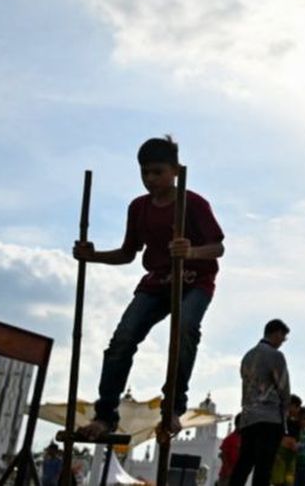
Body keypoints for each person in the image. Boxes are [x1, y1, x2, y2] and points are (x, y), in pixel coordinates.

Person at [73, 136, 225, 439]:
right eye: (145, 173)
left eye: (158, 172)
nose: (151, 179)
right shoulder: (139, 208)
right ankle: (105, 416)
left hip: (195, 282)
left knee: (185, 331)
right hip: (157, 283)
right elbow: (127, 254)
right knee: (122, 340)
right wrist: (93, 257)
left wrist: (191, 252)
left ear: (176, 171)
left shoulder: (192, 203)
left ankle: (173, 409)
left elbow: (218, 247)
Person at [229, 319, 291, 486]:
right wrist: (286, 415)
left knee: (244, 463)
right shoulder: (275, 355)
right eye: (283, 338)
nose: (282, 342)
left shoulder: (247, 356)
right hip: (269, 418)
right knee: (264, 467)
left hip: (248, 418)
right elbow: (283, 388)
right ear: (277, 333)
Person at [271, 395, 304, 486]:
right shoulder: (278, 420)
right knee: (278, 481)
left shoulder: (296, 424)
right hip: (280, 454)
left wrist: (297, 445)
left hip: (291, 456)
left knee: (289, 481)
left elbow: (298, 439)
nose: (298, 409)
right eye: (296, 406)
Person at [218, 415, 244, 486]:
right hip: (226, 475)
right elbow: (223, 455)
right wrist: (228, 470)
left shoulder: (243, 439)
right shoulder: (229, 439)